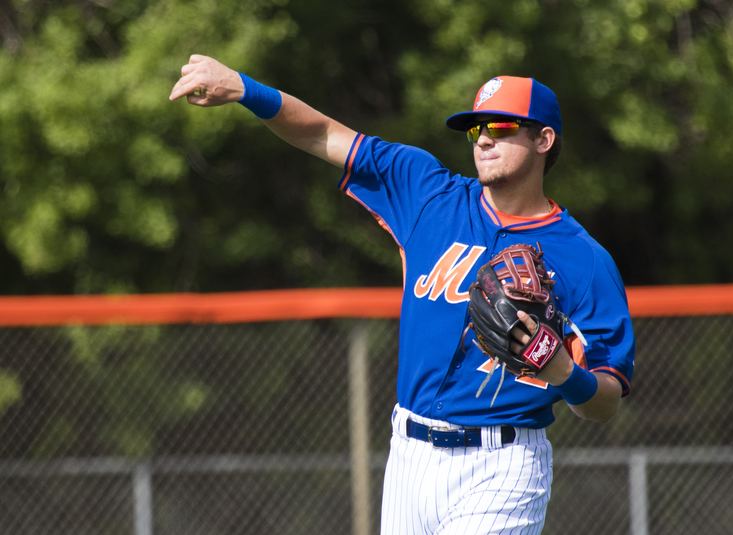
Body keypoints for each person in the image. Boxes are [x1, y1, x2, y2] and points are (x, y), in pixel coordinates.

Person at [170, 55, 635, 534]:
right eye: (477, 130)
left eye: (502, 125)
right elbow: (323, 135)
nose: (486, 139)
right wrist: (245, 89)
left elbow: (605, 401)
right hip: (409, 458)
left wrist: (563, 371)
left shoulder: (585, 260)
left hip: (504, 464)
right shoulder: (427, 194)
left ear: (544, 139)